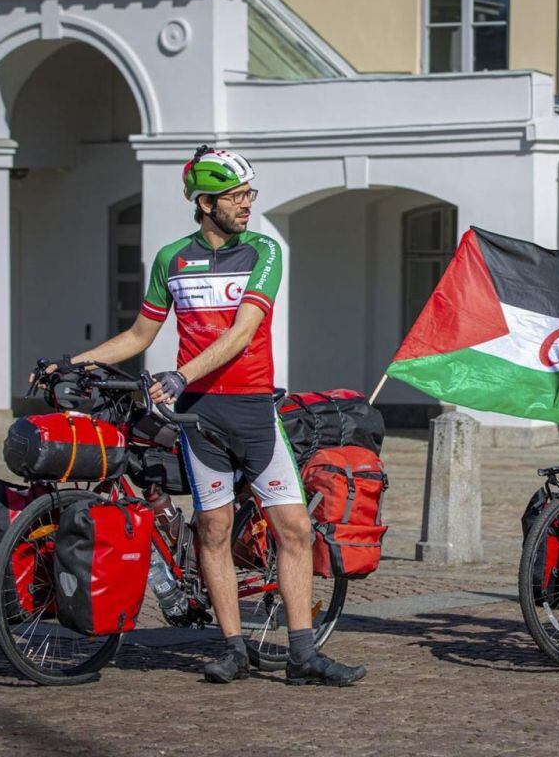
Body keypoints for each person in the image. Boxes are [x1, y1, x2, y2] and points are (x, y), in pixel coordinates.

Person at [51, 146, 365, 686]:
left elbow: (243, 332)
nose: (247, 205)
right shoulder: (171, 259)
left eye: (250, 194)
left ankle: (302, 653)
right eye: (237, 196)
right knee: (213, 530)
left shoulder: (263, 250)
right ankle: (233, 648)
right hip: (201, 421)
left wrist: (178, 376)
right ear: (205, 202)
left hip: (253, 414)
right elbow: (138, 335)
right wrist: (67, 364)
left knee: (294, 529)